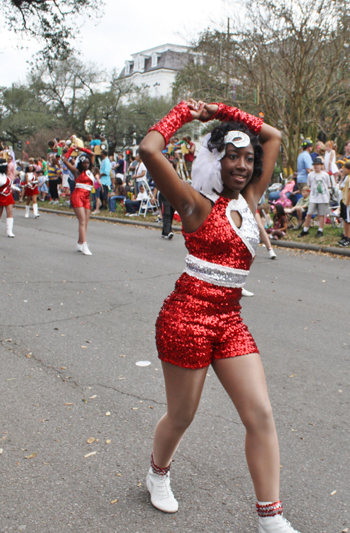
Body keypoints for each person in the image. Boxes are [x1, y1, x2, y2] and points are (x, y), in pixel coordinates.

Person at [138, 99, 301, 533]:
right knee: (182, 415)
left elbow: (275, 137)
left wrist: (224, 110)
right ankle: (157, 473)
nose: (244, 165)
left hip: (230, 321)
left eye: (250, 159)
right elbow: (150, 151)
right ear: (215, 158)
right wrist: (185, 112)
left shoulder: (250, 199)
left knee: (260, 414)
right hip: (186, 318)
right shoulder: (194, 205)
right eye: (234, 155)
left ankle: (270, 516)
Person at [61, 147, 97, 255]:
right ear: (80, 164)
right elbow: (65, 161)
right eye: (84, 163)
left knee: (85, 222)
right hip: (77, 196)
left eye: (87, 162)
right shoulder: (76, 171)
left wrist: (80, 148)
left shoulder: (91, 171)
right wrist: (71, 149)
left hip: (87, 197)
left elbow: (93, 154)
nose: (86, 164)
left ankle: (80, 242)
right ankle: (85, 245)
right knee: (81, 221)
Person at [298, 157, 332, 238]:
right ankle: (305, 229)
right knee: (309, 213)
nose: (316, 166)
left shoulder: (325, 175)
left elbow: (328, 185)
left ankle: (320, 229)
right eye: (315, 165)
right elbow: (309, 185)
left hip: (323, 197)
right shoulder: (310, 175)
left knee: (321, 214)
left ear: (321, 166)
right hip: (313, 197)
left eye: (318, 165)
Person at [0, 158, 16, 238]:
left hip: (8, 195)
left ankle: (9, 231)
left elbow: (9, 184)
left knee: (10, 212)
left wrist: (14, 188)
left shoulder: (6, 175)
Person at [337, 161, 350, 247]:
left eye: (345, 168)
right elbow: (341, 188)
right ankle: (345, 236)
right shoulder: (347, 177)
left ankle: (349, 238)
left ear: (349, 169)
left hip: (348, 203)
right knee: (345, 219)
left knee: (349, 221)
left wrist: (348, 203)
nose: (343, 169)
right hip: (344, 201)